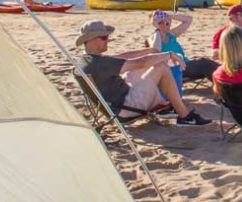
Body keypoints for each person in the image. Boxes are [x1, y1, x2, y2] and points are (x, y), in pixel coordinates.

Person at [76, 20, 211, 126]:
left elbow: (123, 57)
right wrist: (169, 55)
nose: (108, 40)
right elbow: (140, 63)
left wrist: (149, 50)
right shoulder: (100, 64)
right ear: (92, 39)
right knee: (161, 66)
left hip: (115, 106)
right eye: (104, 37)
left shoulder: (86, 61)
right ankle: (185, 116)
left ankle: (165, 104)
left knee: (133, 71)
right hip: (126, 109)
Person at [147, 10, 220, 92]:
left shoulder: (171, 34)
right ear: (154, 24)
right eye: (161, 23)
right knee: (203, 63)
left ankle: (226, 75)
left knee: (206, 62)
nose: (165, 25)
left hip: (185, 65)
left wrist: (170, 16)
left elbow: (188, 20)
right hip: (174, 69)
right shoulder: (154, 38)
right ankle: (224, 83)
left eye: (167, 23)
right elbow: (155, 52)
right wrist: (157, 29)